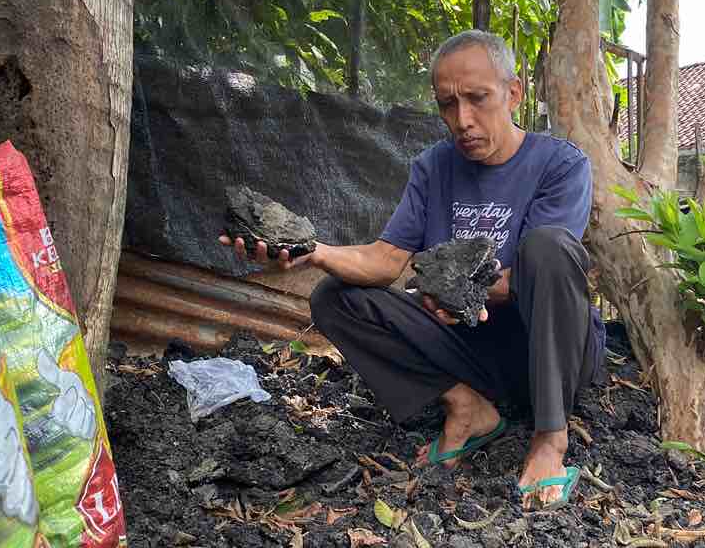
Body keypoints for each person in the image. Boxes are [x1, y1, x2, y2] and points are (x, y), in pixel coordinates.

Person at [220, 29, 604, 509]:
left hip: (553, 355)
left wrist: (460, 293)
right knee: (334, 297)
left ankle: (550, 438)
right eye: (447, 104)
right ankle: (467, 406)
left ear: (513, 93)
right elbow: (386, 261)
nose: (462, 120)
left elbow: (537, 277)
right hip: (473, 351)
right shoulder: (434, 167)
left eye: (477, 99)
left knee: (549, 247)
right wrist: (312, 251)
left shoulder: (561, 164)